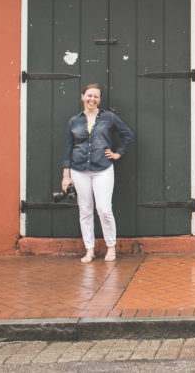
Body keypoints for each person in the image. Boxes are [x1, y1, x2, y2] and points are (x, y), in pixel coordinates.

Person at [61, 83, 134, 263]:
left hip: (103, 169)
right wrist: (66, 176)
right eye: (89, 95)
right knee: (85, 210)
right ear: (82, 96)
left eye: (96, 96)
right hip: (79, 170)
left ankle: (111, 247)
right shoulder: (74, 121)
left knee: (103, 209)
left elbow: (128, 134)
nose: (92, 99)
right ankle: (89, 250)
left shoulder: (109, 118)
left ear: (99, 99)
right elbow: (68, 148)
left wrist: (118, 153)